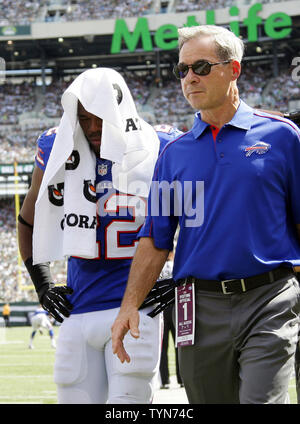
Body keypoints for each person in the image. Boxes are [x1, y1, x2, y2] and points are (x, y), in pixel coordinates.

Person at [111, 25, 300, 404]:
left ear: (234, 70)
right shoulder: (174, 154)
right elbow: (155, 239)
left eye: (200, 66)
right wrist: (128, 306)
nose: (189, 78)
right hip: (196, 306)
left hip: (270, 299)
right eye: (182, 70)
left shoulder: (283, 137)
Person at [17, 67, 182, 404]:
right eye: (82, 118)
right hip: (79, 307)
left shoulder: (162, 144)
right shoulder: (55, 145)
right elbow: (28, 218)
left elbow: (200, 218)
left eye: (99, 117)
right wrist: (43, 284)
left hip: (137, 305)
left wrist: (182, 276)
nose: (91, 127)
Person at [158, 251, 183, 389]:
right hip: (175, 307)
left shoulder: (159, 266)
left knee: (163, 347)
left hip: (162, 307)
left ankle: (165, 380)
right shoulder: (176, 265)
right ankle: (181, 379)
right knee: (178, 345)